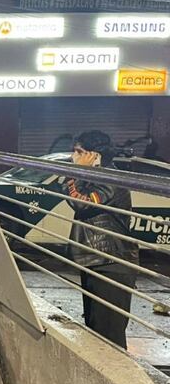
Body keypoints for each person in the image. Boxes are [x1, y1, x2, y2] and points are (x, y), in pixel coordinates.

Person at [63, 130, 139, 349]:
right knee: (95, 328)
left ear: (95, 155)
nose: (74, 157)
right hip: (97, 261)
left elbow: (82, 203)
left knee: (109, 335)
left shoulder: (109, 178)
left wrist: (76, 173)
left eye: (79, 152)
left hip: (112, 262)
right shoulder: (95, 176)